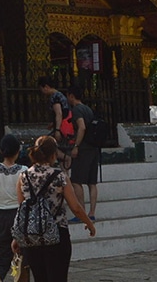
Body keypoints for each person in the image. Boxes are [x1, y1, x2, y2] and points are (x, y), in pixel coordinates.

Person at [11, 135, 94, 282]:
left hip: (32, 234)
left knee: (40, 278)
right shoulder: (59, 176)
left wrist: (18, 237)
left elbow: (22, 207)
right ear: (53, 154)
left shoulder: (23, 176)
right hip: (57, 233)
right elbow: (75, 206)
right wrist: (88, 222)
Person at [0, 133, 24, 281]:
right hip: (18, 214)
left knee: (2, 257)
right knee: (21, 255)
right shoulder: (24, 170)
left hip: (0, 215)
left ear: (1, 151)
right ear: (18, 151)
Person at [64, 85, 98, 222]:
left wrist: (76, 146)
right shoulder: (88, 109)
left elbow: (82, 127)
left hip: (83, 148)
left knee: (76, 181)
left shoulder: (77, 110)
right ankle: (92, 212)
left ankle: (82, 212)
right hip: (94, 147)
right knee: (92, 182)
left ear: (71, 96)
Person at [38, 76, 74, 167]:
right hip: (66, 126)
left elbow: (59, 113)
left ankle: (66, 158)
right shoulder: (60, 95)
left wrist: (57, 130)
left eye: (41, 88)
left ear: (46, 87)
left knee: (48, 145)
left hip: (61, 128)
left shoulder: (55, 97)